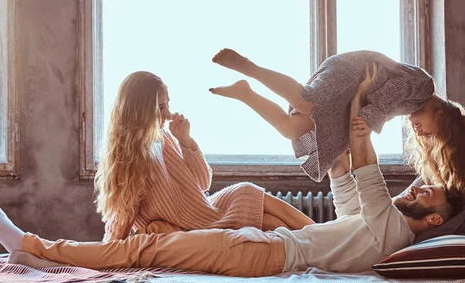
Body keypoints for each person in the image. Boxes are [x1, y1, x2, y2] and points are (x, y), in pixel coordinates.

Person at [0, 68, 465, 275]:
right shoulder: (371, 226)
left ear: (436, 221)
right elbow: (345, 177)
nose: (420, 186)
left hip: (261, 253)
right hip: (270, 248)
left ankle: (35, 248)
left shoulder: (392, 234)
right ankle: (39, 251)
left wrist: (361, 113)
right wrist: (348, 111)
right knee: (144, 247)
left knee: (145, 250)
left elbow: (366, 171)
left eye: (429, 194)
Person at [209, 49, 465, 204]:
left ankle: (246, 93)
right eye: (430, 131)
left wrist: (355, 134)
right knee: (306, 102)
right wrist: (365, 125)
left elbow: (371, 108)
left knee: (294, 128)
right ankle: (249, 68)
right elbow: (379, 100)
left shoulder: (411, 106)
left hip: (355, 91)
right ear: (441, 114)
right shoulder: (423, 87)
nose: (420, 133)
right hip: (355, 71)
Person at [95, 71, 314, 241]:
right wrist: (106, 254)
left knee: (250, 192)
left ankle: (326, 235)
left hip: (203, 209)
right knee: (270, 222)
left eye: (167, 104)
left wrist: (186, 142)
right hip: (193, 223)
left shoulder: (163, 138)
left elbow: (202, 182)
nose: (169, 113)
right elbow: (122, 217)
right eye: (160, 107)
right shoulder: (130, 158)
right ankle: (324, 242)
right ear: (139, 109)